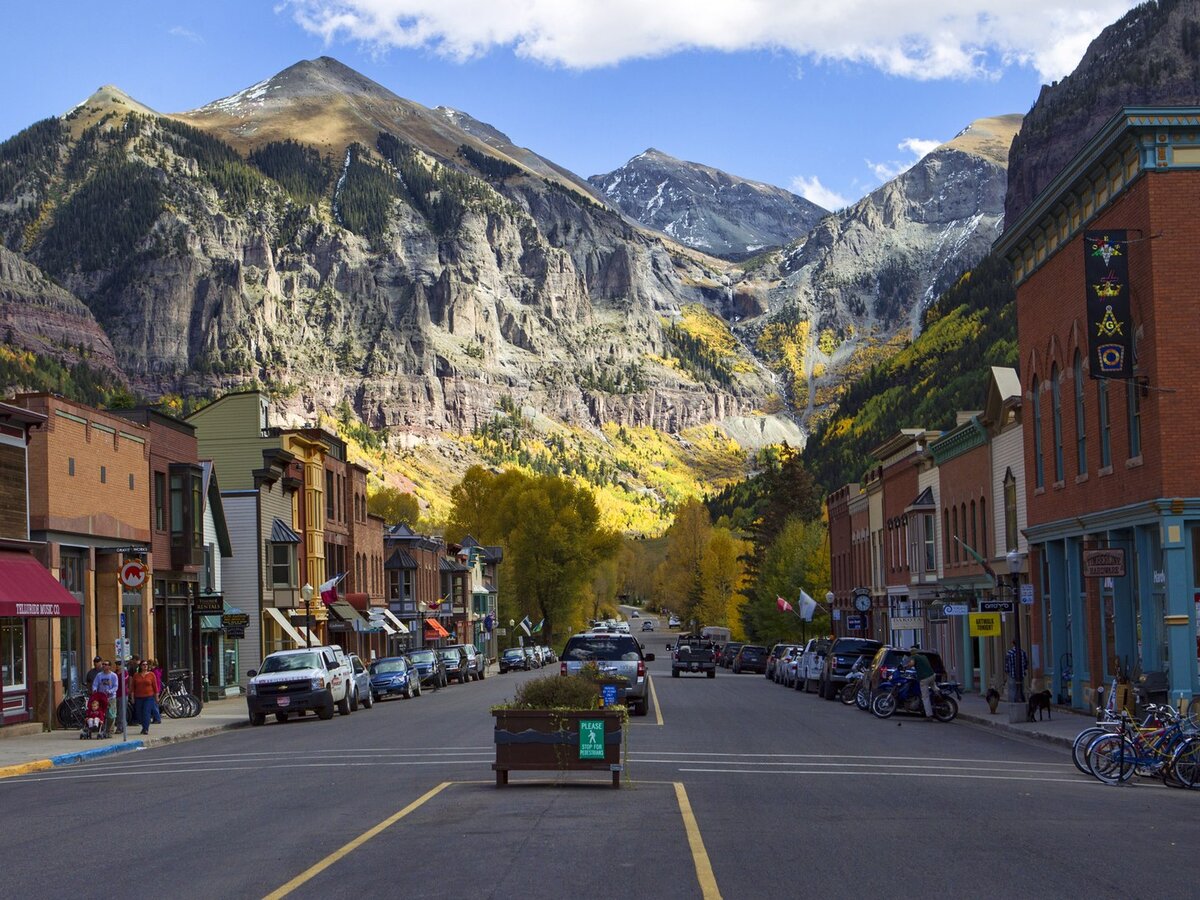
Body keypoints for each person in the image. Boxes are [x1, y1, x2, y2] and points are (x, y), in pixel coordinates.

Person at [905, 646, 936, 719]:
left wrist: (906, 666)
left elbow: (912, 664)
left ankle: (929, 715)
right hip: (932, 675)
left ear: (912, 653)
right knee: (934, 687)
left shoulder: (914, 657)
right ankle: (940, 696)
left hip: (924, 678)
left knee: (925, 697)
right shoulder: (924, 656)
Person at [92, 661, 118, 738]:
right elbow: (95, 684)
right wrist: (94, 689)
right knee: (102, 714)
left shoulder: (113, 676)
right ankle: (103, 730)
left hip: (111, 698)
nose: (104, 666)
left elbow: (116, 686)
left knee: (111, 716)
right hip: (101, 697)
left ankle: (109, 730)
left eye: (106, 664)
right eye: (103, 664)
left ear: (109, 666)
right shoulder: (99, 675)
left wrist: (110, 691)